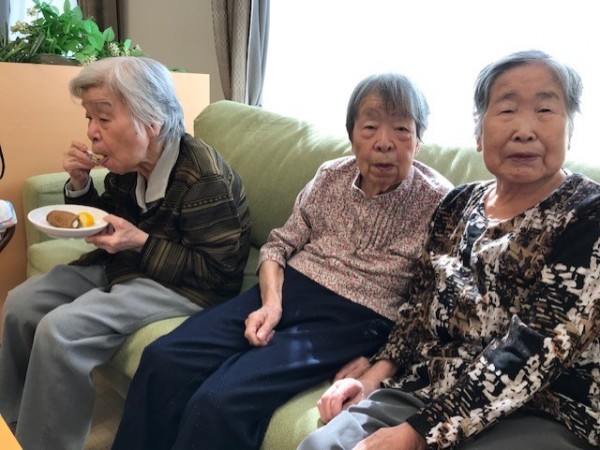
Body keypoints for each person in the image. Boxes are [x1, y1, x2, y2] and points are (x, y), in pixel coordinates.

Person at [110, 73, 453, 450]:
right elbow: (277, 246)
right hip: (287, 289)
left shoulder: (441, 204)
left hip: (357, 318)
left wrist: (380, 362)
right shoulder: (331, 176)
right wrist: (271, 304)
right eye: (370, 127)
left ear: (419, 140)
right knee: (163, 358)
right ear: (352, 134)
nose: (384, 143)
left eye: (402, 129)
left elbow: (430, 306)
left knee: (220, 401)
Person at [298, 49, 600, 450]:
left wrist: (417, 434)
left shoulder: (587, 214)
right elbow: (417, 310)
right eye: (506, 110)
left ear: (570, 128)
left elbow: (533, 350)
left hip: (542, 410)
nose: (525, 130)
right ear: (478, 132)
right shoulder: (455, 205)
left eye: (545, 110)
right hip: (427, 389)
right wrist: (372, 378)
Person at [0, 56, 251, 450]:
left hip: (187, 286)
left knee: (60, 331)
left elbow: (218, 273)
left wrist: (140, 243)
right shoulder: (129, 165)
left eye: (103, 118)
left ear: (152, 121)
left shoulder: (204, 178)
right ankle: (10, 423)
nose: (91, 132)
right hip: (132, 263)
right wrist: (80, 186)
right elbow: (107, 219)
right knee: (22, 302)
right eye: (89, 118)